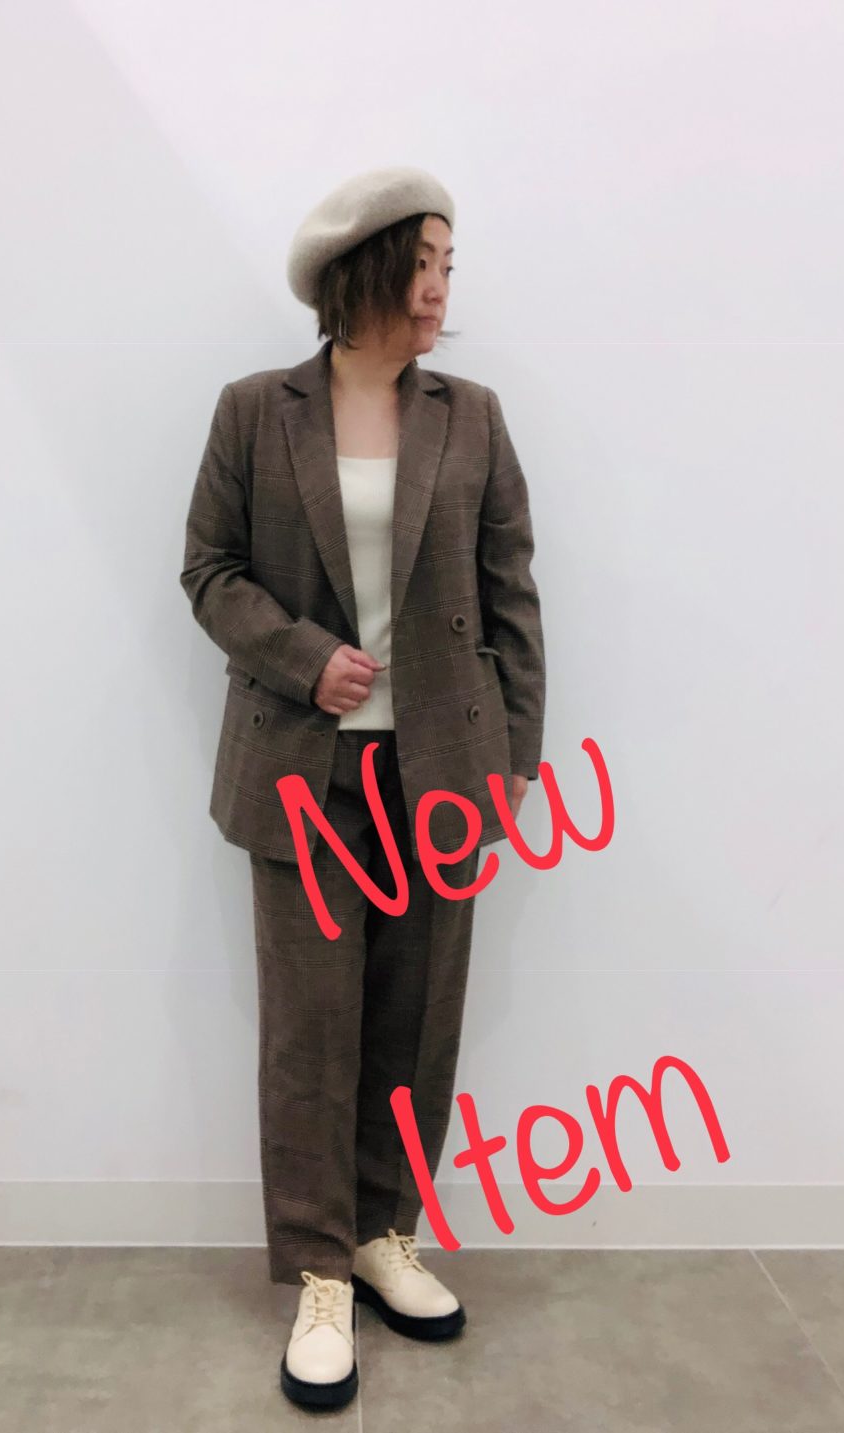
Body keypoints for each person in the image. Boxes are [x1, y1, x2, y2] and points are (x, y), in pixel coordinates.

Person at [180, 165, 546, 1410]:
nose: (441, 290)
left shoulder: (472, 415)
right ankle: (320, 1270)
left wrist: (515, 761)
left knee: (415, 1014)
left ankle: (388, 1231)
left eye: (449, 267)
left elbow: (511, 597)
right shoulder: (255, 410)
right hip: (303, 770)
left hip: (440, 767)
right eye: (424, 265)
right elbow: (209, 568)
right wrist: (303, 656)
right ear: (366, 274)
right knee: (311, 1025)